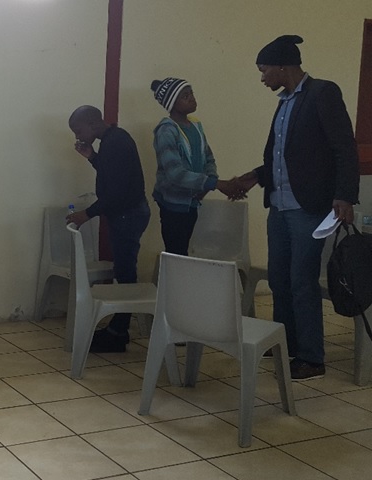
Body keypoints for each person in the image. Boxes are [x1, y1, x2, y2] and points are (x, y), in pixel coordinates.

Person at [232, 35, 359, 381]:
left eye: (264, 70)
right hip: (280, 207)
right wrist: (255, 177)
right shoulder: (285, 101)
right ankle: (283, 344)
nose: (261, 78)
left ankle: (311, 357)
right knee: (279, 279)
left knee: (302, 281)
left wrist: (345, 195)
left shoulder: (322, 93)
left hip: (308, 207)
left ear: (283, 66)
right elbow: (286, 155)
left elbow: (344, 147)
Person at [66, 106, 150, 353]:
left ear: (93, 123)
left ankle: (118, 332)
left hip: (128, 214)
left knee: (125, 274)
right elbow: (111, 175)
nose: (77, 136)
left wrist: (86, 214)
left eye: (78, 130)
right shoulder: (112, 139)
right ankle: (118, 329)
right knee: (124, 271)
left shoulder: (116, 142)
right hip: (127, 213)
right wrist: (92, 157)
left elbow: (116, 193)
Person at [149, 77, 239, 255]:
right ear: (172, 104)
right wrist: (217, 184)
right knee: (176, 253)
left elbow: (208, 157)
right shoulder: (166, 131)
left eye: (191, 93)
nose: (192, 98)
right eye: (185, 96)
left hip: (192, 201)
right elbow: (175, 173)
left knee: (184, 250)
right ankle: (174, 283)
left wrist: (209, 181)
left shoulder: (196, 126)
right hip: (173, 205)